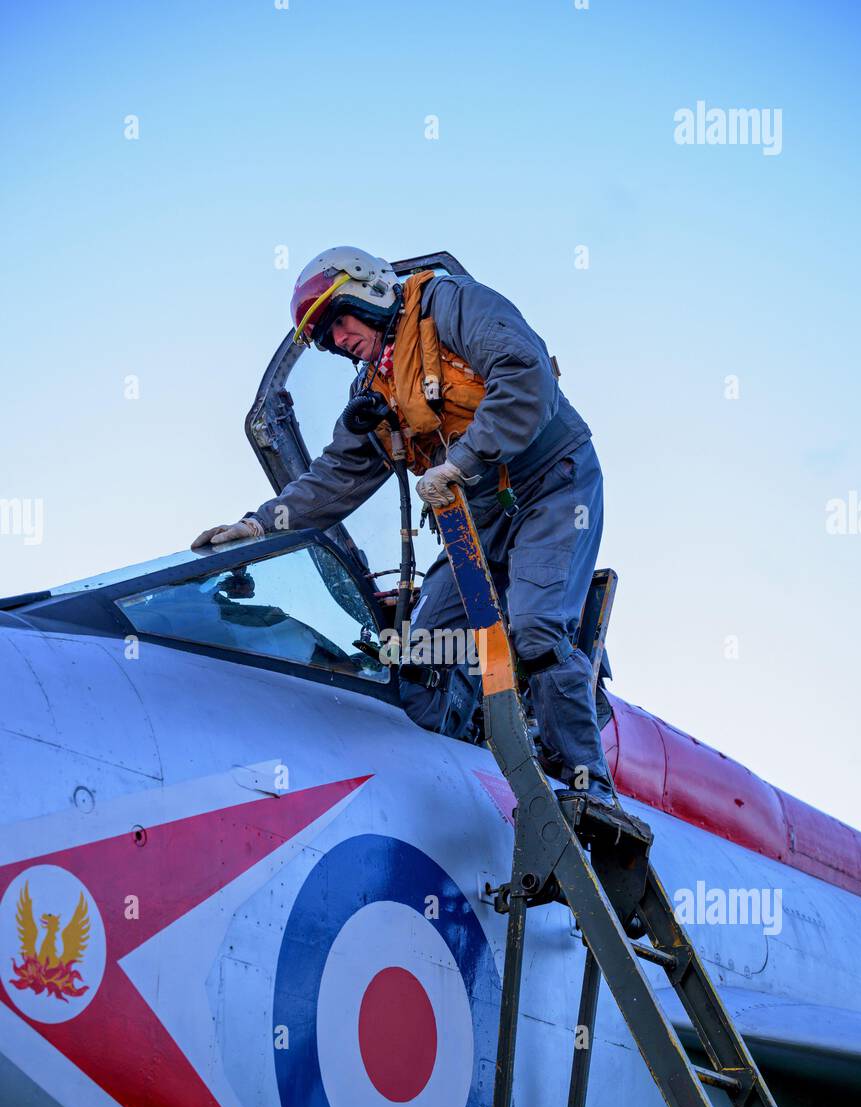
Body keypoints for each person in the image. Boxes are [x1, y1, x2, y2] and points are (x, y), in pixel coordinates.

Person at [192, 246, 615, 803]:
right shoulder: (375, 391)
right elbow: (336, 477)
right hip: (472, 515)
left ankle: (588, 787)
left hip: (552, 484)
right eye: (327, 337)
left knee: (536, 631)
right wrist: (260, 526)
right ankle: (472, 776)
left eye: (338, 321)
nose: (339, 340)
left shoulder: (453, 307)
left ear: (365, 290)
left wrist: (462, 462)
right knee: (419, 655)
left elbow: (524, 375)